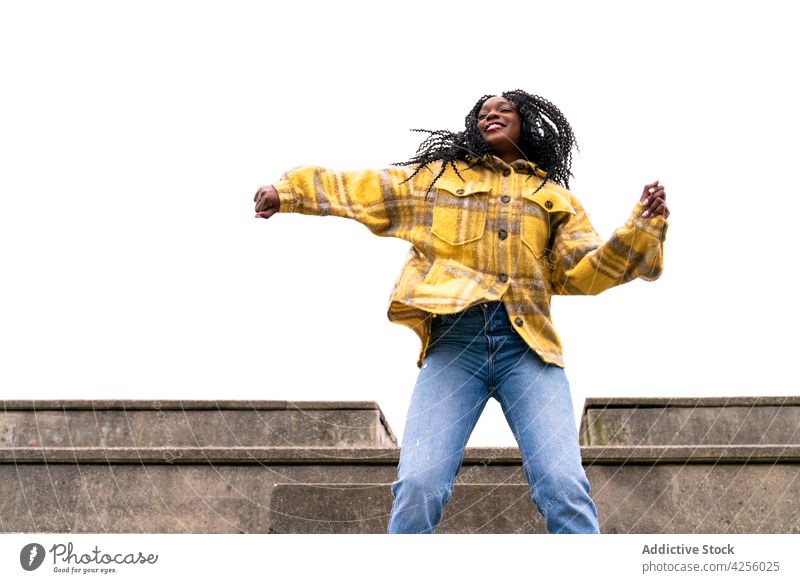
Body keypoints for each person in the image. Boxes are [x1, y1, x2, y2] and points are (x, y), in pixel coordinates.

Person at [253, 89, 669, 534]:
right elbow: (364, 189)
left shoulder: (554, 198)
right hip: (456, 346)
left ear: (526, 122)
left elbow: (586, 272)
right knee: (418, 484)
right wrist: (289, 191)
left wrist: (641, 227)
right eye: (484, 113)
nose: (492, 115)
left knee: (563, 484)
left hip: (528, 350)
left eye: (503, 110)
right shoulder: (436, 181)